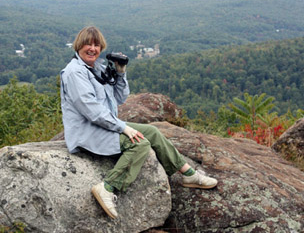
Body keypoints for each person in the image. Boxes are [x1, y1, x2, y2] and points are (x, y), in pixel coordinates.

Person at [60, 26, 217, 219]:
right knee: (139, 143)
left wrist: (120, 72)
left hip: (102, 127)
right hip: (88, 132)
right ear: (78, 45)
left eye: (97, 45)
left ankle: (188, 173)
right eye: (88, 44)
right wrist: (123, 127)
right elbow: (92, 111)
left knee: (152, 132)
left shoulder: (97, 69)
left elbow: (119, 98)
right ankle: (108, 187)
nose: (92, 49)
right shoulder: (74, 72)